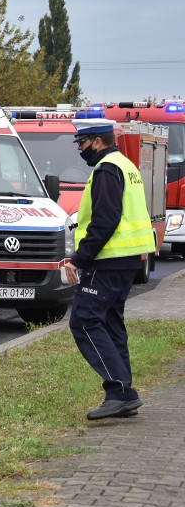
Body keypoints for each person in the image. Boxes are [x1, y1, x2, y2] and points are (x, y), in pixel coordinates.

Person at [63, 118, 155, 420]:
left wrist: (80, 257)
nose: (80, 148)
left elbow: (106, 219)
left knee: (85, 321)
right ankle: (123, 393)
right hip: (126, 260)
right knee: (111, 323)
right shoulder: (125, 165)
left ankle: (119, 392)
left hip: (107, 260)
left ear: (97, 142)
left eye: (82, 143)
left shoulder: (106, 170)